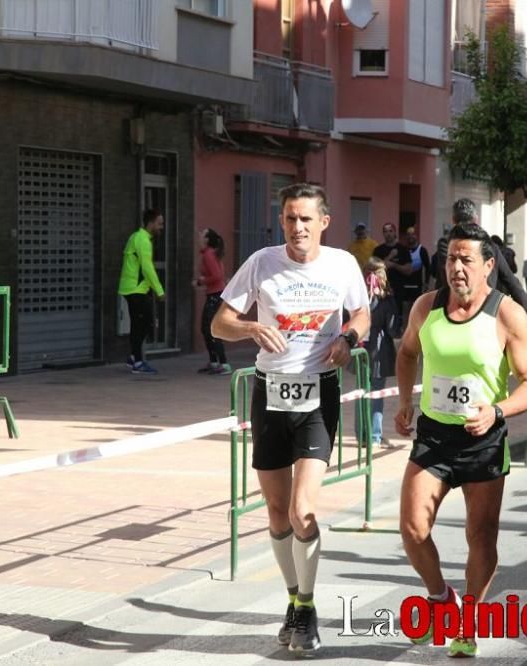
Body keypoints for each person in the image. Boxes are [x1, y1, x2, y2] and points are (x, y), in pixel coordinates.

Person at [211, 183, 369, 654]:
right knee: (277, 514)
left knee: (303, 510)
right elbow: (220, 323)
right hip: (269, 394)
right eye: (289, 219)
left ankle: (308, 603)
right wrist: (249, 326)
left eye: (305, 219)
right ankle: (293, 600)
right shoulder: (261, 262)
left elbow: (361, 313)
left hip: (318, 393)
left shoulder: (342, 264)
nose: (297, 228)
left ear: (325, 221)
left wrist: (349, 339)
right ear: (282, 222)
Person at [395, 223, 527, 658]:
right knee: (413, 527)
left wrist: (496, 411)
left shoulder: (507, 314)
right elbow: (406, 353)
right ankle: (442, 598)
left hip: (483, 439)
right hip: (435, 436)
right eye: (451, 259)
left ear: (488, 266)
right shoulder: (426, 307)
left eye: (466, 260)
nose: (456, 268)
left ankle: (471, 617)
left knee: (481, 535)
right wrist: (406, 402)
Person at [432, 198, 527, 326]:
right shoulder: (488, 245)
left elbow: (509, 279)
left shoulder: (450, 244)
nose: (458, 267)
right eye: (453, 259)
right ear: (476, 219)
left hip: (467, 314)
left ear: (453, 220)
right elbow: (510, 279)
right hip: (469, 314)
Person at [118, 209, 165, 375]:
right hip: (135, 289)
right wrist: (159, 290)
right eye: (159, 223)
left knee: (139, 325)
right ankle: (137, 361)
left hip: (135, 288)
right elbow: (147, 268)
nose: (162, 227)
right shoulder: (142, 240)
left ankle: (134, 357)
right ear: (150, 223)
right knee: (145, 324)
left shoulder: (138, 238)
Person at [362, 256, 398, 448]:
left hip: (359, 347)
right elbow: (392, 328)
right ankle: (375, 436)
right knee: (376, 394)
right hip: (379, 348)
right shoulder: (386, 298)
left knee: (361, 392)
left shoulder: (358, 294)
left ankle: (362, 435)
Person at [195, 228, 231, 375]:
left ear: (207, 240)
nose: (198, 236)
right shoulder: (208, 254)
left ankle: (223, 363)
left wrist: (201, 281)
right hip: (214, 295)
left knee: (211, 329)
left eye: (201, 234)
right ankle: (214, 361)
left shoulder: (209, 255)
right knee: (206, 329)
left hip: (216, 295)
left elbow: (217, 276)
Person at [372, 222, 412, 330]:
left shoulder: (403, 249)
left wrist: (394, 265)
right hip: (381, 290)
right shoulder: (378, 250)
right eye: (385, 231)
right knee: (381, 320)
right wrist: (390, 257)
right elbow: (374, 269)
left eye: (390, 231)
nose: (388, 234)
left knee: (397, 319)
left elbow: (408, 270)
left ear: (395, 232)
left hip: (398, 289)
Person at [401, 226, 430, 309]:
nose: (410, 236)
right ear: (406, 236)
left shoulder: (422, 250)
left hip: (417, 286)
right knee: (405, 310)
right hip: (404, 286)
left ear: (416, 236)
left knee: (416, 310)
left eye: (413, 234)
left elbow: (428, 268)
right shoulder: (402, 250)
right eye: (408, 234)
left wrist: (426, 283)